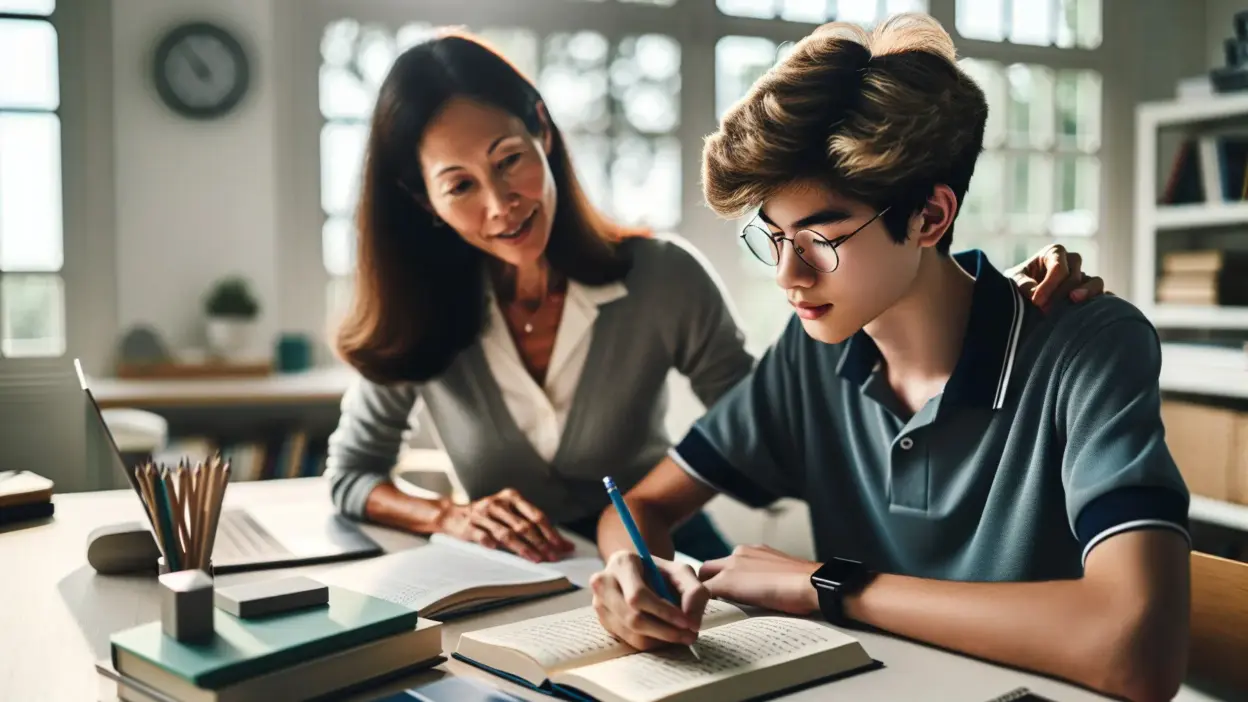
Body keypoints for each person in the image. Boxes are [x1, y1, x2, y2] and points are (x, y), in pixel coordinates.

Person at [323, 31, 1104, 566]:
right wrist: (446, 515)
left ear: (543, 133)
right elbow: (353, 474)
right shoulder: (422, 306)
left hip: (662, 554)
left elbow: (777, 405)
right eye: (459, 185)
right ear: (422, 199)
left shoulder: (663, 278)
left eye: (509, 161)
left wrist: (994, 289)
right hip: (509, 574)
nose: (499, 203)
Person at [589, 15, 1188, 702]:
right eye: (774, 237)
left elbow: (1139, 650)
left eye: (823, 238)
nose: (789, 276)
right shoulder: (813, 351)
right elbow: (638, 505)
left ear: (930, 217)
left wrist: (826, 584)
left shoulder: (1088, 345)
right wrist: (632, 570)